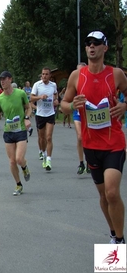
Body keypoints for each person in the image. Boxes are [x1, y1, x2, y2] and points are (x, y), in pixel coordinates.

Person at [61, 31, 126, 244]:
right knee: (103, 196)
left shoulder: (115, 74)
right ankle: (113, 231)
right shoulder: (76, 76)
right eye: (88, 43)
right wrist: (71, 106)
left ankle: (119, 239)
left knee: (112, 192)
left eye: (96, 43)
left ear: (104, 48)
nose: (91, 46)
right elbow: (63, 104)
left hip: (114, 142)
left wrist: (124, 105)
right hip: (91, 144)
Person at [0, 71, 31, 196]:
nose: (2, 81)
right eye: (1, 80)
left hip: (20, 130)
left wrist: (26, 118)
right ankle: (18, 184)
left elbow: (28, 107)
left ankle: (24, 168)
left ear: (10, 79)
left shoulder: (20, 93)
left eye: (4, 79)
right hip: (8, 132)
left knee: (19, 159)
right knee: (12, 161)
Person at [30, 67, 58, 171]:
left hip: (50, 113)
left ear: (50, 76)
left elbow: (55, 94)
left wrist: (55, 100)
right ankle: (43, 152)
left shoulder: (53, 85)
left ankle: (49, 160)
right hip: (40, 114)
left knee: (49, 137)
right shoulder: (37, 85)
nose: (44, 76)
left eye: (46, 74)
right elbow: (31, 98)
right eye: (43, 74)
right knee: (42, 138)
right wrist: (40, 97)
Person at [72, 62, 91, 175]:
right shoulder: (74, 83)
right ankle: (81, 163)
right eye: (78, 70)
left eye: (82, 70)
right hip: (78, 114)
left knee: (88, 138)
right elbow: (67, 99)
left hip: (89, 114)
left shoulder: (90, 82)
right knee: (80, 137)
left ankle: (89, 161)